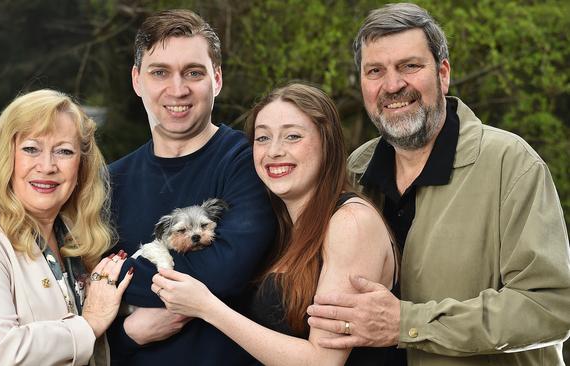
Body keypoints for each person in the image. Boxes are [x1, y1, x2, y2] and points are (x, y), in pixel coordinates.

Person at [305, 3, 570, 366]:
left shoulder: (511, 164)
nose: (393, 85)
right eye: (375, 71)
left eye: (409, 66)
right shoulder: (355, 170)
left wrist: (408, 324)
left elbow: (550, 307)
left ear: (443, 73)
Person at [149, 82, 399, 365]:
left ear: (327, 142)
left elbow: (324, 361)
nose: (274, 151)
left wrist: (207, 307)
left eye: (292, 136)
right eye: (263, 138)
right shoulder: (281, 225)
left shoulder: (351, 223)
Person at [106, 9, 275, 365]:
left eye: (193, 73)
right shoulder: (109, 181)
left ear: (216, 78)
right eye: (160, 72)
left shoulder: (247, 162)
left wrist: (113, 285)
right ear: (137, 81)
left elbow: (224, 272)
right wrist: (126, 335)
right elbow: (83, 296)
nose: (178, 89)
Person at [0, 89, 134, 365]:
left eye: (64, 151)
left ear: (81, 166)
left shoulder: (71, 236)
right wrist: (89, 324)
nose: (47, 166)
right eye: (31, 149)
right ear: (5, 156)